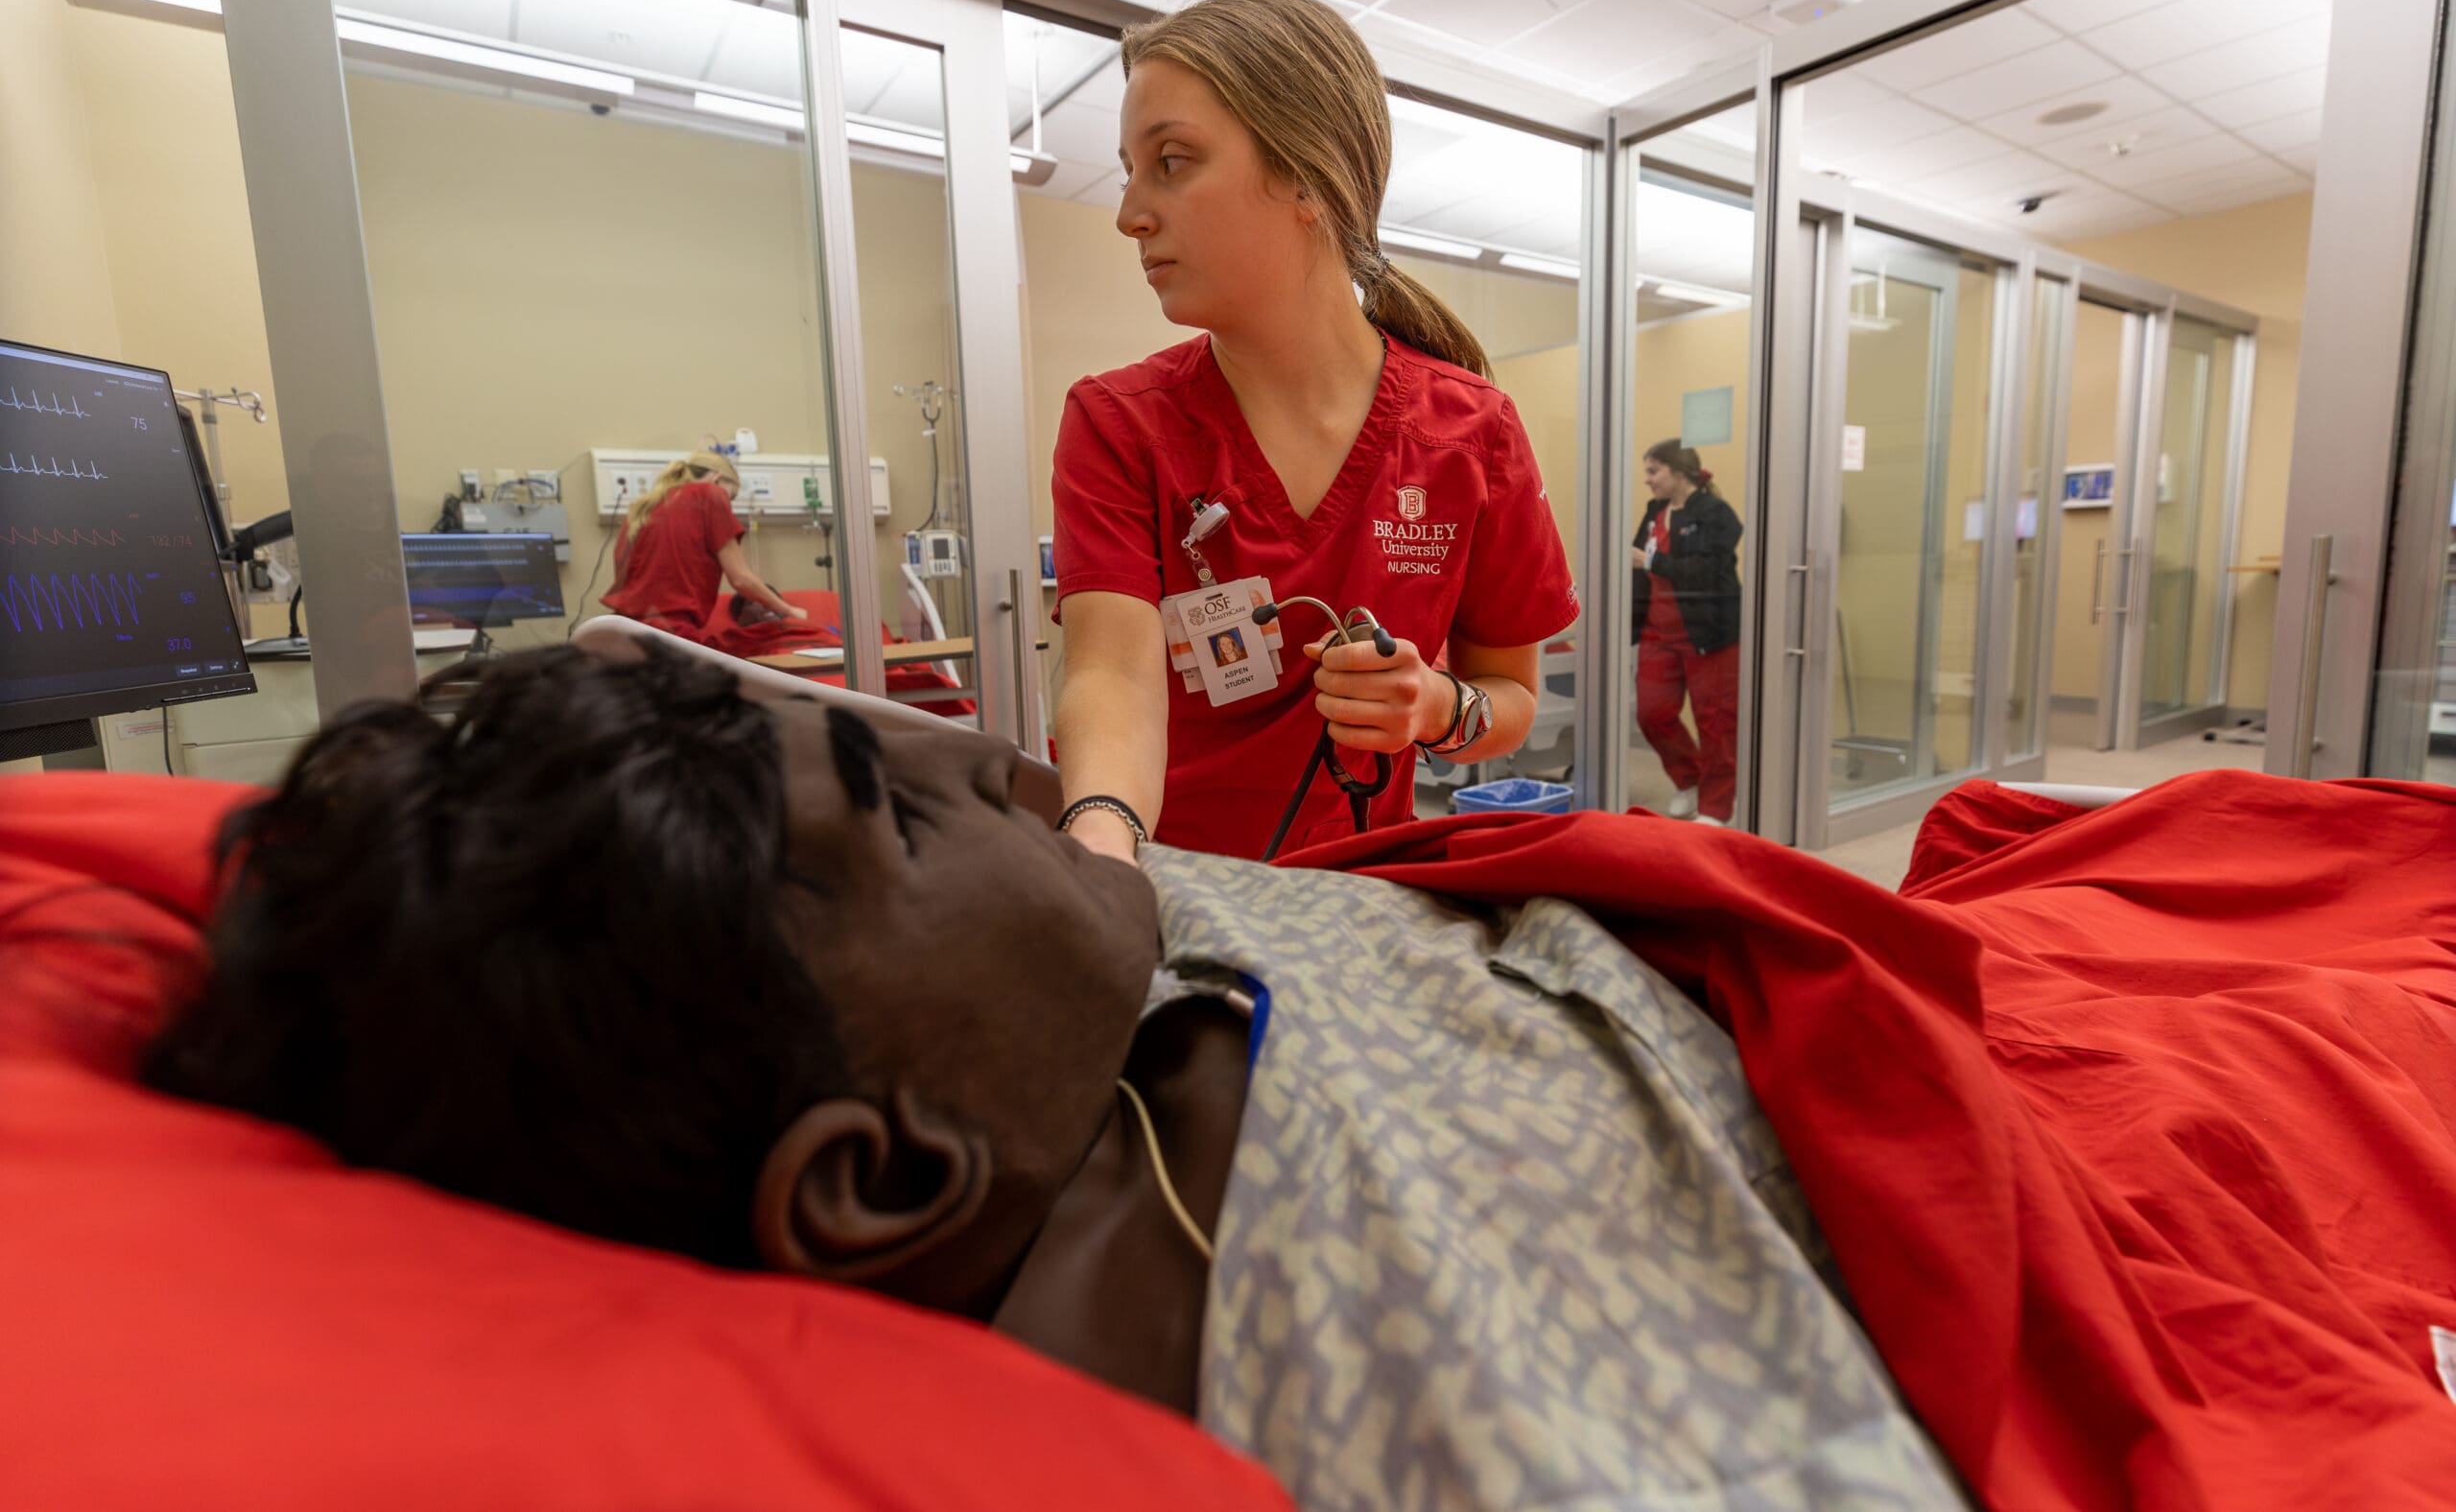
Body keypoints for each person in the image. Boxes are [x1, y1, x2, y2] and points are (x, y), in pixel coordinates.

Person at [140, 645, 1957, 1510]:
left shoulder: (1057, 990)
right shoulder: (1493, 1412)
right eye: (906, 809)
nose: (1001, 761)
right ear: (884, 1176)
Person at [1051, 0, 1578, 862]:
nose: (1129, 213)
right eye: (1128, 172)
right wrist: (1102, 842)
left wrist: (1435, 706)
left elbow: (1509, 697)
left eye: (1171, 162)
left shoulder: (1469, 432)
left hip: (1360, 894)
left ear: (1305, 174)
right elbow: (1111, 677)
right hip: (1172, 883)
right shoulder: (1119, 424)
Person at [1630, 438, 1741, 826]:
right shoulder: (1655, 512)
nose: (1647, 479)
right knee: (1651, 713)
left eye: (1654, 471)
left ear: (1678, 471)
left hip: (1708, 635)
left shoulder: (1715, 513)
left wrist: (1652, 561)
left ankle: (1716, 808)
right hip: (1657, 633)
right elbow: (1636, 565)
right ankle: (1689, 778)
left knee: (1716, 723)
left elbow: (1706, 571)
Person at [601, 449, 805, 644]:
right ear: (717, 479)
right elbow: (740, 578)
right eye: (731, 496)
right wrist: (789, 611)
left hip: (621, 632)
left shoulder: (643, 507)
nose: (729, 504)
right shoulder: (710, 494)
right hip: (670, 635)